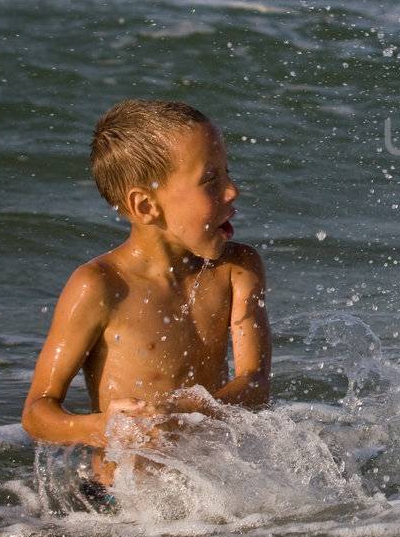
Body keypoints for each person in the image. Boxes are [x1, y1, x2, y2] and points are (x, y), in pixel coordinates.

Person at [22, 99, 269, 507]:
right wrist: (107, 429)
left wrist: (186, 408)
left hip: (210, 492)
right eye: (210, 179)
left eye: (228, 171)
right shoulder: (100, 286)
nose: (232, 189)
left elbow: (256, 386)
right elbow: (37, 413)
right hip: (119, 500)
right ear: (145, 205)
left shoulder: (237, 268)